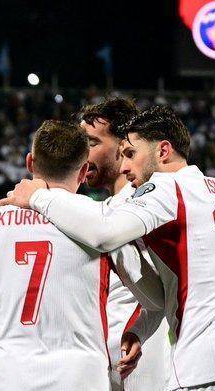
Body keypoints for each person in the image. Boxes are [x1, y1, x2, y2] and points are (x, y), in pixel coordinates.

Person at [0, 106, 215, 391]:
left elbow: (104, 234)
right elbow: (164, 292)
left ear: (163, 151)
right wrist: (141, 328)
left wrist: (38, 196)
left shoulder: (167, 187)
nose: (124, 166)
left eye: (131, 154)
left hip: (214, 366)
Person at [0, 120, 163, 391]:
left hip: (10, 380)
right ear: (83, 171)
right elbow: (155, 298)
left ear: (30, 162)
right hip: (80, 381)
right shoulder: (100, 219)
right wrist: (137, 331)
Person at [80, 97, 170, 390]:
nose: (82, 152)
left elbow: (159, 292)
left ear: (122, 147)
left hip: (138, 359)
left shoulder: (142, 208)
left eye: (92, 142)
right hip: (104, 357)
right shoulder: (111, 208)